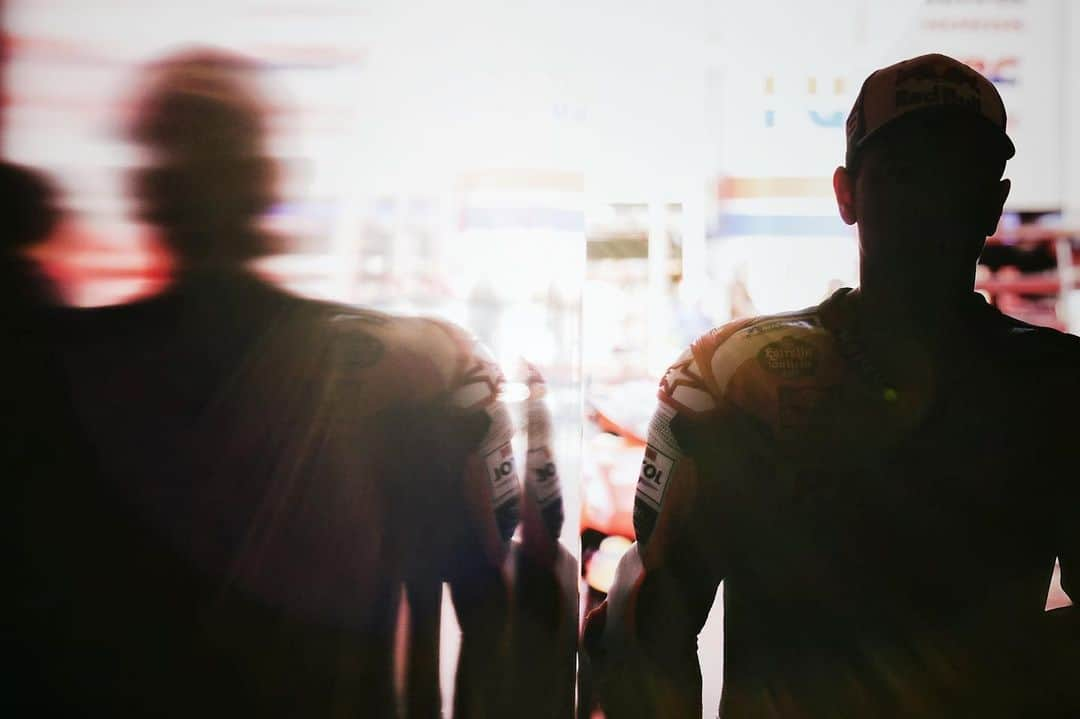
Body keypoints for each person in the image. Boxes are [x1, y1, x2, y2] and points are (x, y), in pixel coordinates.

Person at [12, 49, 524, 717]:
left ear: (148, 192)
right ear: (269, 181)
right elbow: (492, 609)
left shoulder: (59, 369)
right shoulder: (401, 369)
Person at [584, 53, 1079, 718]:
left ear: (992, 202)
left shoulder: (1059, 387)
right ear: (846, 194)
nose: (931, 200)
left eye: (957, 175)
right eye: (904, 173)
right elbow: (652, 630)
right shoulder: (736, 378)